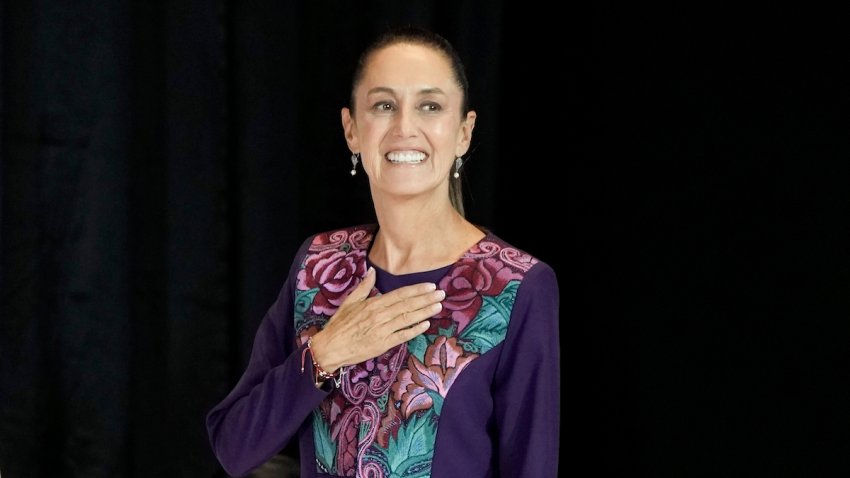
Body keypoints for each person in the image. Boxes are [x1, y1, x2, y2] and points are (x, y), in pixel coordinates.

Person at [206, 25, 560, 477]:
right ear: (351, 129)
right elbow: (234, 447)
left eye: (429, 106)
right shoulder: (318, 265)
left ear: (464, 133)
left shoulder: (516, 286)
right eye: (384, 105)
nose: (405, 128)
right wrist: (325, 353)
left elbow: (531, 464)